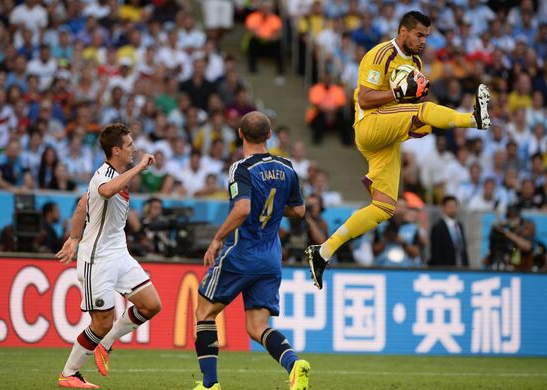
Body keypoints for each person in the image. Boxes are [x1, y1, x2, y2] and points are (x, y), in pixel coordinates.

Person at [305, 11, 491, 289]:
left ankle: (323, 252)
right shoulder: (380, 55)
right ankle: (473, 118)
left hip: (387, 138)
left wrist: (416, 124)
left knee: (384, 208)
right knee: (425, 110)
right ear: (403, 31)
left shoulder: (415, 62)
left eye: (426, 37)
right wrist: (400, 97)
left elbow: (412, 110)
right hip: (368, 126)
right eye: (419, 35)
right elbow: (365, 99)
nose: (423, 41)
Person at [193, 111, 310, 390]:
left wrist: (216, 239)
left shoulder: (241, 168)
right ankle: (294, 364)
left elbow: (243, 208)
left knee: (204, 312)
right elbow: (300, 210)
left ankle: (210, 385)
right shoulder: (287, 167)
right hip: (271, 257)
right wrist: (270, 208)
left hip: (242, 253)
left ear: (240, 135)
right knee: (257, 327)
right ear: (269, 135)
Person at [55, 123, 162, 388]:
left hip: (119, 254)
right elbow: (104, 191)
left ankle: (105, 345)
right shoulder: (103, 175)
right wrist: (140, 168)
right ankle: (69, 374)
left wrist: (73, 237)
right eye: (129, 146)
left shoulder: (115, 175)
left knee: (151, 305)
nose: (134, 149)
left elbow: (83, 204)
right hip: (97, 259)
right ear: (116, 150)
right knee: (102, 322)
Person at [429, 196, 469, 267]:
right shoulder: (438, 227)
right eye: (450, 206)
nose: (453, 209)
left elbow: (463, 248)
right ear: (444, 207)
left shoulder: (459, 225)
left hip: (460, 266)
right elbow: (436, 251)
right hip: (445, 268)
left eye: (454, 206)